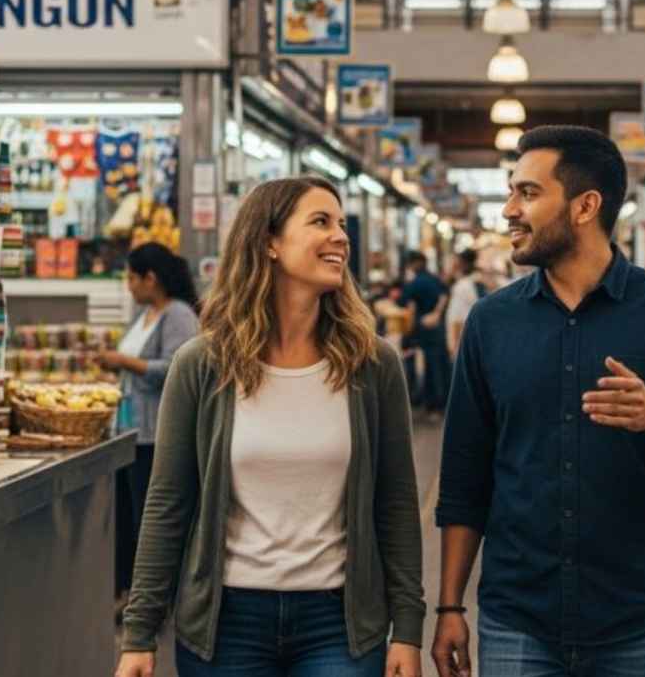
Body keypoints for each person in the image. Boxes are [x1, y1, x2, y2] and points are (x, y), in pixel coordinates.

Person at [432, 125, 645, 677]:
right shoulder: (492, 322)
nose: (509, 209)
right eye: (511, 191)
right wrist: (450, 605)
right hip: (516, 620)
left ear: (585, 206)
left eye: (527, 193)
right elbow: (464, 478)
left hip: (631, 618)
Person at [116, 176, 425, 677]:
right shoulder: (203, 365)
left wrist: (408, 627)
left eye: (342, 224)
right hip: (226, 622)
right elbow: (169, 502)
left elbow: (395, 502)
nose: (341, 236)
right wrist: (139, 632)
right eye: (321, 222)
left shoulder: (372, 365)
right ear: (270, 243)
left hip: (340, 623)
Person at [97, 242, 201, 607]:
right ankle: (129, 592)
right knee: (127, 518)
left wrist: (124, 361)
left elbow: (178, 367)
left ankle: (156, 597)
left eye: (131, 277)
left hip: (158, 433)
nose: (128, 285)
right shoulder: (143, 316)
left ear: (150, 278)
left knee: (150, 517)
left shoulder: (179, 315)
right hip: (129, 431)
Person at [399, 251, 450, 414]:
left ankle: (430, 403)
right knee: (440, 364)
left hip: (422, 328)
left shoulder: (414, 284)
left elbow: (410, 309)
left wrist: (408, 333)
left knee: (427, 366)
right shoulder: (435, 279)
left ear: (414, 263)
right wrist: (436, 314)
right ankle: (441, 403)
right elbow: (445, 295)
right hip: (437, 328)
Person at [445, 249, 485, 358]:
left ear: (462, 264)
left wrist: (454, 347)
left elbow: (457, 318)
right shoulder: (479, 281)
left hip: (464, 343)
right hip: (478, 339)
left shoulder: (462, 286)